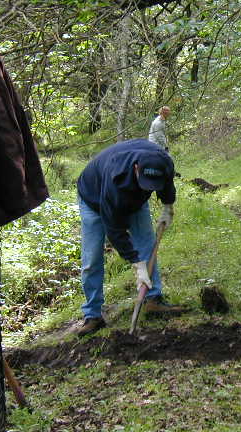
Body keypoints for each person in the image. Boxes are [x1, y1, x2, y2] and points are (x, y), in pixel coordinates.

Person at [75, 138, 185, 337]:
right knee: (91, 259)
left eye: (152, 185)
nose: (147, 188)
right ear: (136, 169)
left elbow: (167, 185)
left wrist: (168, 206)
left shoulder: (164, 162)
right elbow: (115, 231)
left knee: (147, 243)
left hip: (133, 200)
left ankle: (153, 300)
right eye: (145, 183)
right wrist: (137, 264)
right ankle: (93, 315)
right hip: (93, 199)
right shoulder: (114, 180)